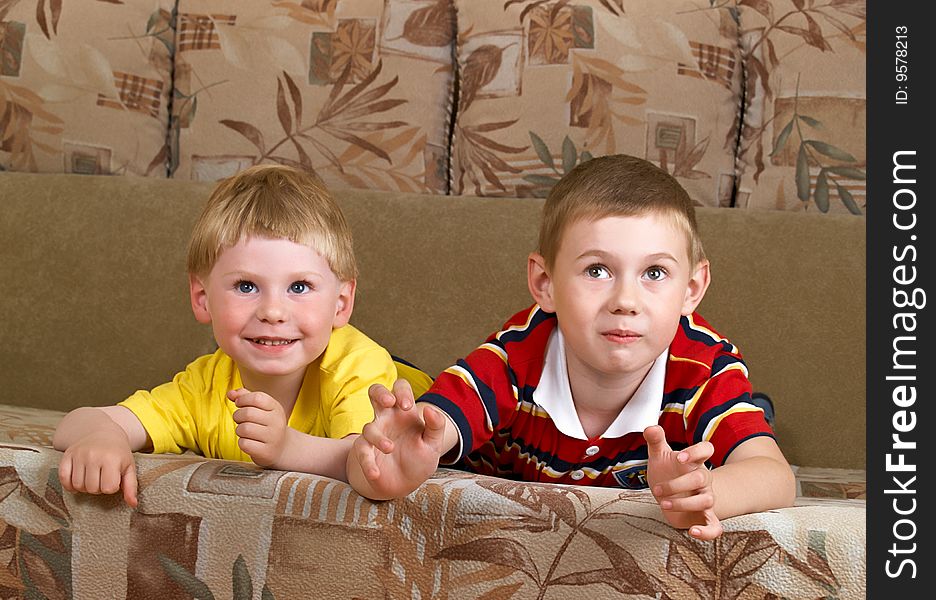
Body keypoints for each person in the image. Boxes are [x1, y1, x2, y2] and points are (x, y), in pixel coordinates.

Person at [346, 154, 796, 540]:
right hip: (514, 445)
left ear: (692, 289)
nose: (625, 302)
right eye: (597, 271)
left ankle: (756, 409)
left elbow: (774, 474)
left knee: (742, 420)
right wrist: (406, 453)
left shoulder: (704, 367)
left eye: (654, 273)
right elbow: (437, 423)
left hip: (690, 420)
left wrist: (707, 491)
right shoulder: (516, 353)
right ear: (545, 284)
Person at [53, 165, 431, 507]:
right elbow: (79, 422)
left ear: (340, 304)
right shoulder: (205, 385)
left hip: (440, 414)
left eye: (299, 287)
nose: (272, 311)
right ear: (202, 299)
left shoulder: (357, 366)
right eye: (246, 286)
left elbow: (368, 464)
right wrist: (103, 439)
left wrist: (284, 446)